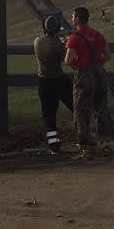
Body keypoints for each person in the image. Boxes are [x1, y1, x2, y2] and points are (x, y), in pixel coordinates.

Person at [64, 6, 113, 157]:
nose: (72, 19)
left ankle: (86, 146)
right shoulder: (97, 35)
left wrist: (78, 67)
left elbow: (68, 60)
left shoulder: (74, 38)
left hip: (83, 76)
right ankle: (105, 142)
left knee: (81, 111)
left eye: (73, 17)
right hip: (99, 74)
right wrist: (97, 64)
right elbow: (108, 55)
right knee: (101, 109)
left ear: (78, 19)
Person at [34, 14, 73, 155]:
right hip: (58, 79)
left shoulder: (37, 41)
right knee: (75, 107)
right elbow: (67, 58)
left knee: (49, 116)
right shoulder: (57, 44)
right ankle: (83, 136)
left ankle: (53, 146)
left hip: (43, 82)